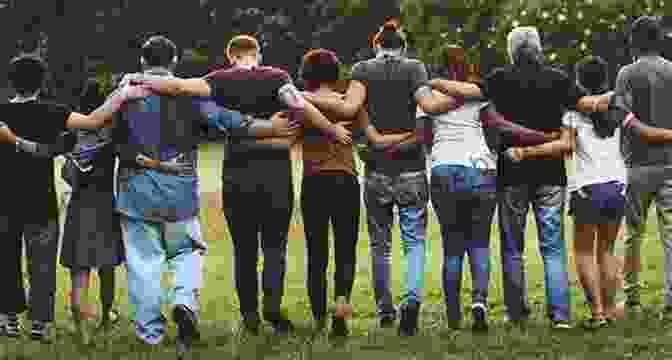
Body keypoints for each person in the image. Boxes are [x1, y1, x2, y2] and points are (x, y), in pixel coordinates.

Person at [122, 34, 335, 337]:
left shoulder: (219, 80)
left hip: (237, 174)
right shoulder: (277, 77)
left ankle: (249, 316)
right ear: (257, 54)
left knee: (244, 249)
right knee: (275, 247)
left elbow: (178, 86)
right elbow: (299, 105)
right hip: (275, 173)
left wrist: (137, 77)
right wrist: (330, 129)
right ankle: (272, 309)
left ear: (230, 56)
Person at [431, 26, 612, 330]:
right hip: (552, 173)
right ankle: (560, 316)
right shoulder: (558, 78)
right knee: (552, 247)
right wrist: (618, 94)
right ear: (539, 48)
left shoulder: (500, 78)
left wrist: (433, 82)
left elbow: (468, 93)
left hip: (512, 173)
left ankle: (517, 313)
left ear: (511, 50)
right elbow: (589, 105)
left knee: (513, 247)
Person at [300, 23, 462, 336]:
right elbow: (430, 106)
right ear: (402, 46)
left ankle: (385, 310)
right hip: (412, 169)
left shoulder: (362, 69)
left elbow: (348, 107)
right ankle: (412, 300)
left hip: (376, 170)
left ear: (377, 46)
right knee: (413, 242)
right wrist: (461, 97)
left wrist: (302, 96)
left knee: (380, 245)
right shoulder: (415, 67)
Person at [0, 55, 146, 342]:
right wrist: (123, 93)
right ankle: (40, 323)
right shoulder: (53, 111)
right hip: (40, 202)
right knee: (41, 265)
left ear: (10, 81)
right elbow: (94, 121)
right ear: (42, 82)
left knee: (5, 261)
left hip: (4, 202)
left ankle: (8, 319)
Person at [421, 50, 564, 332]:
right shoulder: (478, 95)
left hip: (443, 170)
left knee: (452, 247)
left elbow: (425, 138)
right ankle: (479, 303)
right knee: (479, 243)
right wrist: (542, 136)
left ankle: (453, 317)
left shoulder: (426, 97)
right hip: (480, 170)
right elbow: (501, 126)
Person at [611, 16, 672, 321]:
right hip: (670, 163)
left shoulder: (626, 74)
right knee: (670, 234)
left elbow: (623, 118)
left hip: (637, 164)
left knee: (633, 233)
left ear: (634, 41)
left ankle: (632, 297)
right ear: (659, 39)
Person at [560, 56, 627, 329]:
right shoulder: (618, 111)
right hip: (617, 186)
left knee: (584, 252)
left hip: (587, 188)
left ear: (579, 82)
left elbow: (567, 150)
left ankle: (597, 313)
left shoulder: (572, 113)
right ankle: (611, 309)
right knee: (608, 250)